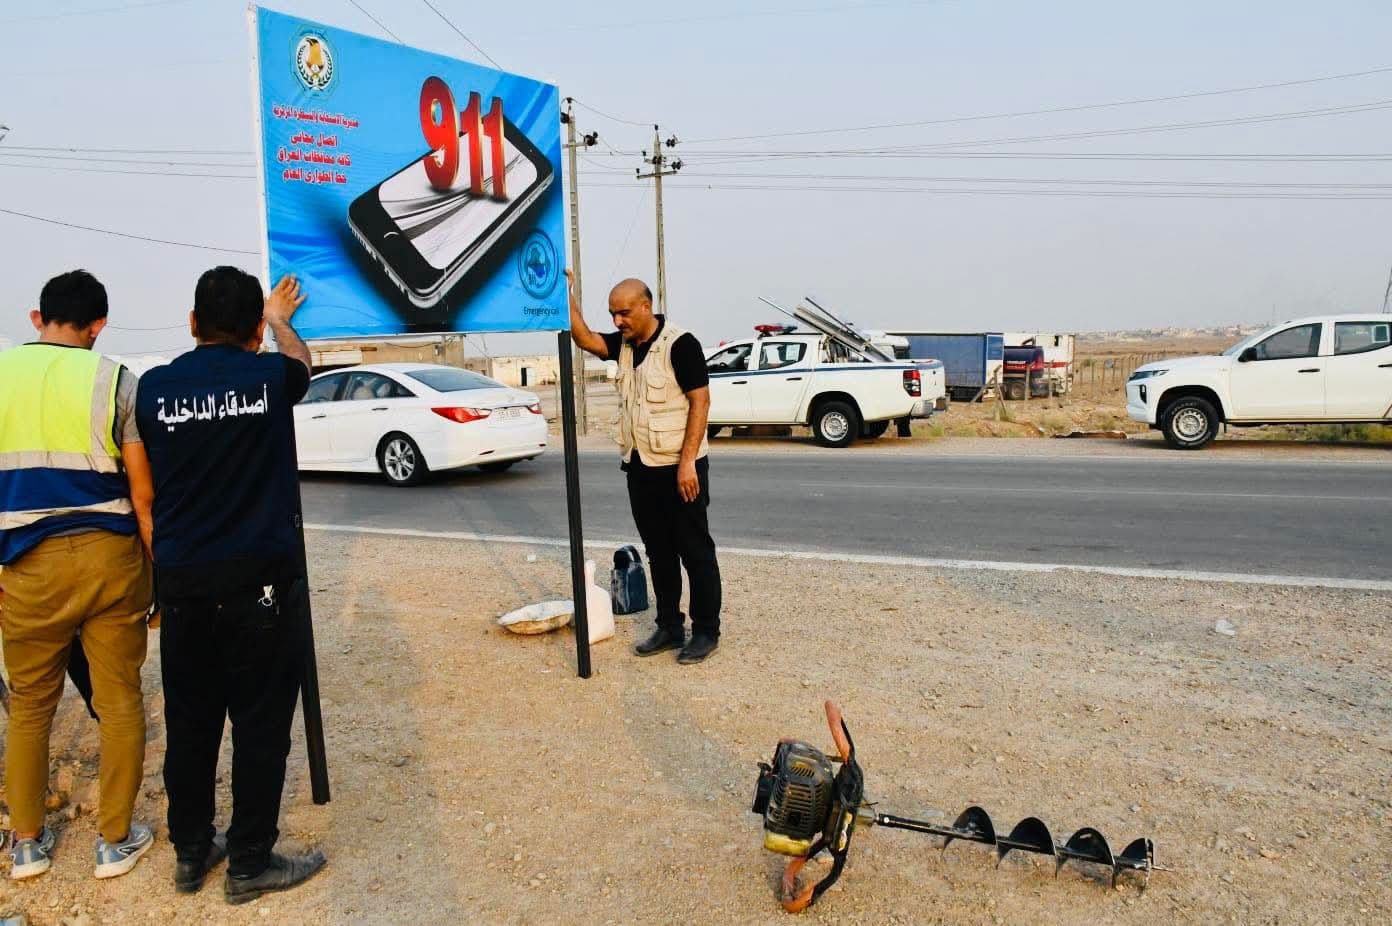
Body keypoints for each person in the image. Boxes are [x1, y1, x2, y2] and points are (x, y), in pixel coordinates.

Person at [134, 268, 325, 903]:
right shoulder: (269, 377)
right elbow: (302, 365)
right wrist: (280, 319)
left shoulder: (154, 389)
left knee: (190, 723)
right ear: (253, 332)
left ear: (193, 323)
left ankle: (192, 852)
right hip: (258, 585)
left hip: (183, 587)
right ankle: (249, 862)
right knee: (260, 724)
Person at [0, 269, 157, 881]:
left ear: (37, 319)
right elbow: (142, 495)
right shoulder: (117, 380)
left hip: (26, 566)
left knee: (31, 708)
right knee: (118, 701)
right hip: (109, 558)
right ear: (98, 325)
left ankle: (27, 845)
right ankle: (114, 841)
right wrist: (158, 570)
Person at [567, 272, 723, 664]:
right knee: (659, 552)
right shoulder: (623, 345)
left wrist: (687, 463)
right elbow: (584, 338)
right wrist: (564, 293)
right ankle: (669, 626)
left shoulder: (681, 344)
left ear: (645, 306)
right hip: (640, 467)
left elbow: (701, 402)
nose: (617, 320)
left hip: (679, 468)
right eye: (612, 314)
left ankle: (706, 631)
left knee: (695, 552)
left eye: (623, 313)